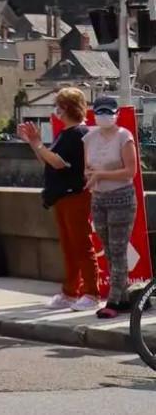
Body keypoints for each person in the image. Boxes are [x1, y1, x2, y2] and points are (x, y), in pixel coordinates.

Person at [17, 87, 99, 311]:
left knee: (81, 246)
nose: (56, 110)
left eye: (59, 106)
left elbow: (58, 162)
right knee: (69, 247)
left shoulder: (78, 134)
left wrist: (37, 143)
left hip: (75, 195)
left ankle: (91, 292)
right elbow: (48, 159)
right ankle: (70, 291)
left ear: (66, 108)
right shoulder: (66, 133)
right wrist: (34, 144)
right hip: (63, 196)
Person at [83, 95, 138, 318]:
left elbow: (130, 171)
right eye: (100, 112)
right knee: (108, 249)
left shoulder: (124, 136)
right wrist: (90, 176)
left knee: (117, 247)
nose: (104, 116)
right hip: (99, 198)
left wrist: (101, 174)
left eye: (108, 112)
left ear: (116, 114)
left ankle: (114, 301)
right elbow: (87, 167)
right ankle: (123, 297)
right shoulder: (89, 137)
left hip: (121, 197)